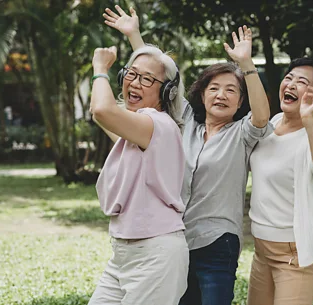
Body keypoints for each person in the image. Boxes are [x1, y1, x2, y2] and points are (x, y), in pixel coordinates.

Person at [103, 5, 271, 305]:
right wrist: (134, 36)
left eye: (231, 91)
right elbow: (156, 79)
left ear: (240, 101)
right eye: (214, 88)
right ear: (202, 93)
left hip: (217, 242)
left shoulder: (243, 134)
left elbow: (262, 115)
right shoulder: (185, 124)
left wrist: (246, 64)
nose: (221, 95)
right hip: (174, 238)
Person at [87, 41, 188, 304]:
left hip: (154, 253)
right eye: (131, 74)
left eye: (147, 79)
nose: (135, 82)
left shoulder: (157, 124)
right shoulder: (136, 130)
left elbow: (103, 110)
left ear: (166, 92)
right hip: (123, 253)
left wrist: (99, 68)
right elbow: (99, 113)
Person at [247, 58, 313, 305]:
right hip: (261, 249)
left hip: (296, 254)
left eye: (302, 82)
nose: (291, 84)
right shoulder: (271, 123)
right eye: (289, 78)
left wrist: (308, 119)